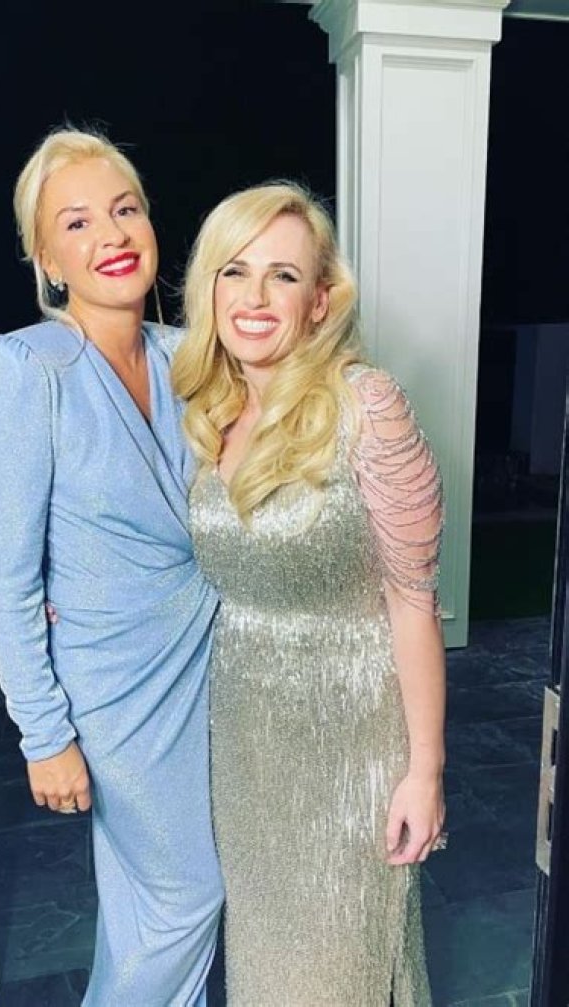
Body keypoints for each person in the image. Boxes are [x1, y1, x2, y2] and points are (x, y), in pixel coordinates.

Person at [0, 128, 223, 1006]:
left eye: (125, 209)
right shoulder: (22, 368)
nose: (110, 235)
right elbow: (3, 577)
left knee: (148, 909)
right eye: (76, 222)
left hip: (212, 669)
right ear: (48, 259)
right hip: (113, 696)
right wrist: (44, 735)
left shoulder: (190, 355)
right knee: (189, 894)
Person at [172, 181, 446, 1006]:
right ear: (210, 288)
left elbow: (413, 601)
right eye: (235, 270)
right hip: (246, 746)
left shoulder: (367, 406)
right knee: (264, 965)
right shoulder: (208, 412)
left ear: (320, 300)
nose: (255, 296)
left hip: (352, 746)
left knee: (338, 972)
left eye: (283, 275)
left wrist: (424, 770)